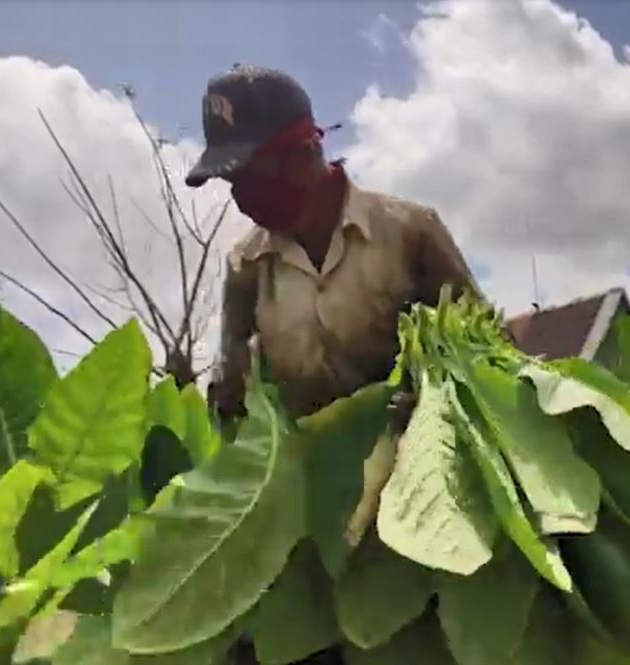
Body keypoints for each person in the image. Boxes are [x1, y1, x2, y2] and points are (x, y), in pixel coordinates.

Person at [185, 64, 480, 665]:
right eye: (231, 181)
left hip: (417, 494)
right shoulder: (247, 266)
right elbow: (233, 373)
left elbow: (480, 347)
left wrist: (427, 406)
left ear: (304, 152)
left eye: (249, 173)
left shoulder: (408, 232)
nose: (240, 194)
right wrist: (228, 394)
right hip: (312, 506)